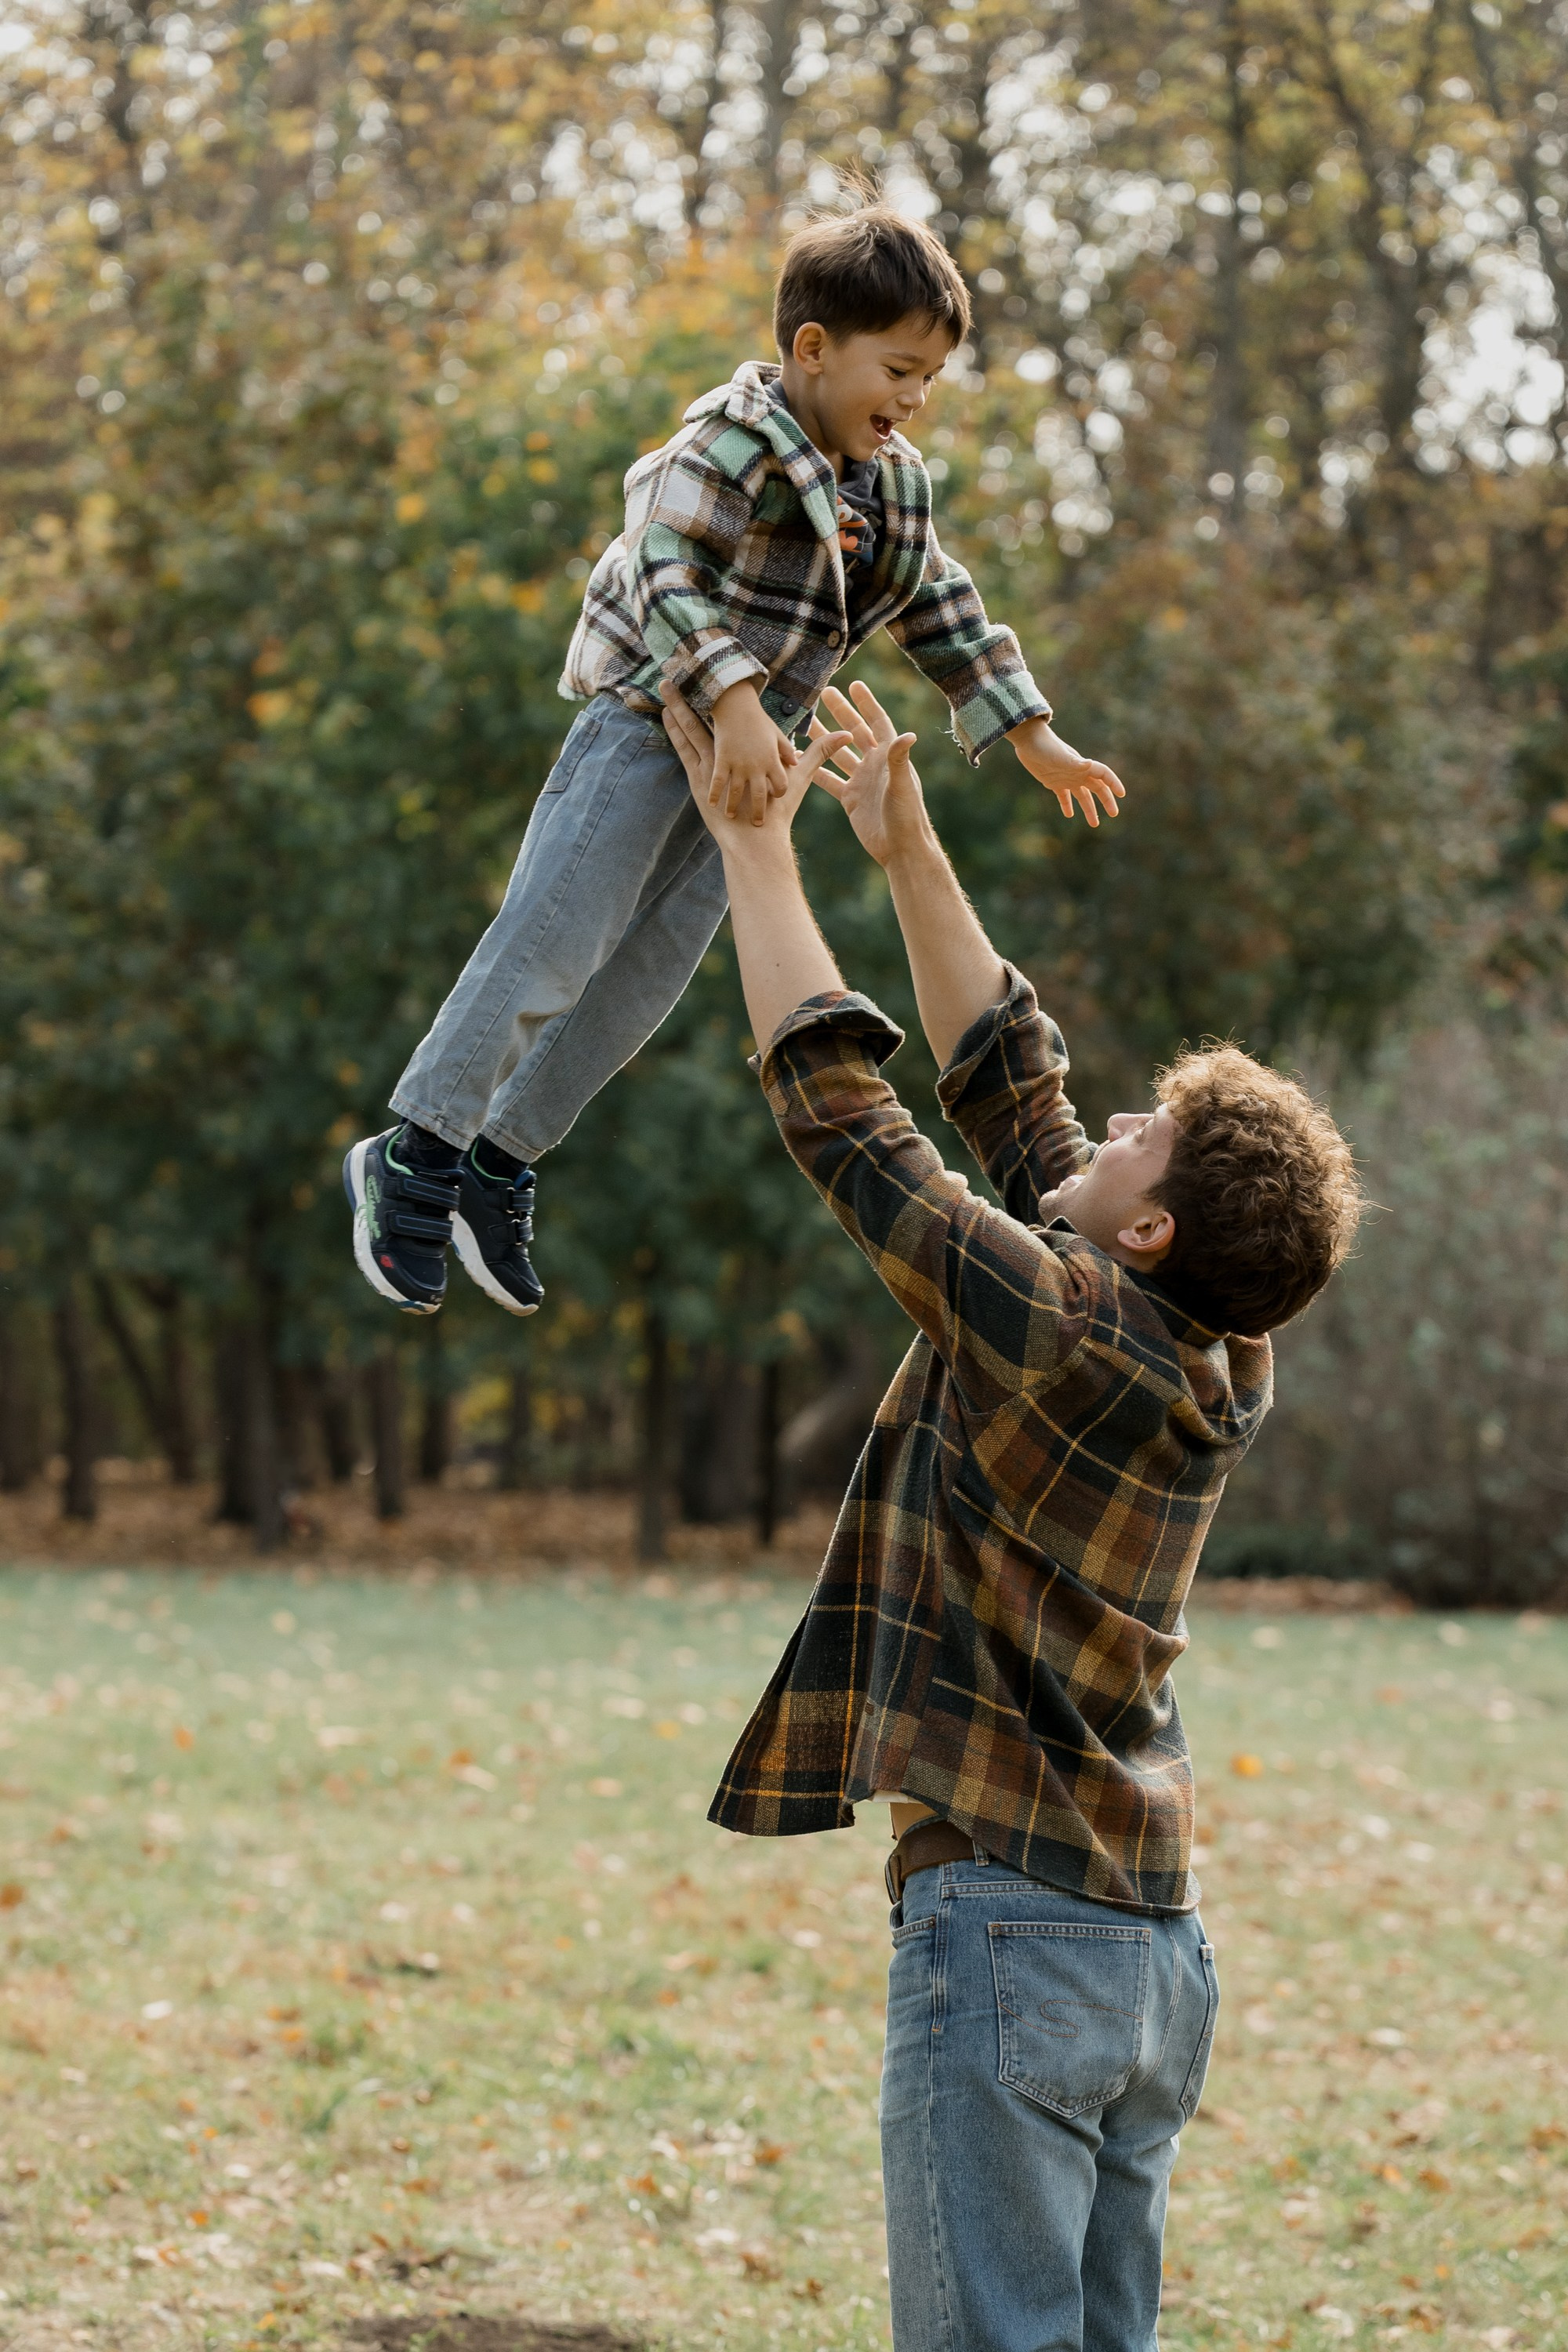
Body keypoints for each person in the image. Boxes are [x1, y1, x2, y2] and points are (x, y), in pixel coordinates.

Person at [659, 676, 1364, 2352]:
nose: (1114, 1120)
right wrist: (906, 850)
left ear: (1148, 1235)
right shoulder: (1223, 1355)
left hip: (1013, 1943)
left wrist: (756, 856)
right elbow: (1016, 1094)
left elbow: (855, 1125)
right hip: (1149, 1962)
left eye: (1151, 1136)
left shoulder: (1049, 1328)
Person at [343, 203, 1123, 1317]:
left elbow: (939, 603)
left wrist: (1028, 731)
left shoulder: (892, 481)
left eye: (930, 379)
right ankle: (417, 1150)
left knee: (635, 990)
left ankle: (498, 1161)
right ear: (814, 349)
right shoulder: (731, 437)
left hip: (747, 781)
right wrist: (739, 692)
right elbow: (657, 563)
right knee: (555, 942)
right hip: (649, 728)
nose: (911, 400)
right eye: (897, 370)